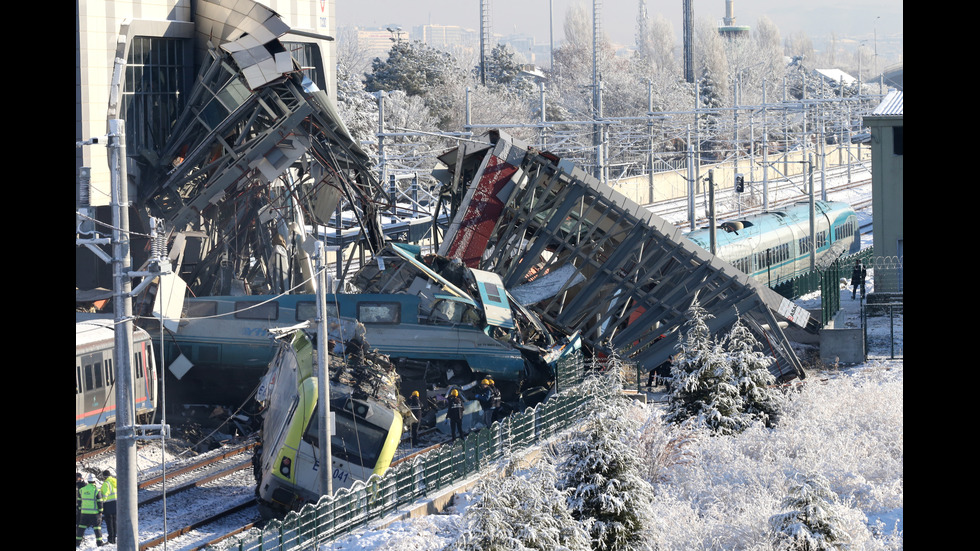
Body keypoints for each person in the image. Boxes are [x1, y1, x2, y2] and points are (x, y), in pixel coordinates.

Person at [76, 473, 105, 547]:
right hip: (94, 513)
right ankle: (99, 543)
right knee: (97, 528)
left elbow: (79, 501)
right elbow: (100, 501)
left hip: (84, 513)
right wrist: (101, 511)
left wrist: (80, 509)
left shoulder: (82, 490)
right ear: (94, 481)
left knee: (81, 528)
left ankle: (77, 543)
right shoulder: (96, 490)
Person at [99, 468, 118, 544]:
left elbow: (105, 495)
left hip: (108, 505)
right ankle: (114, 538)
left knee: (109, 523)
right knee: (115, 521)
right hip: (116, 504)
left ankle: (111, 539)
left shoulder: (106, 483)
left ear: (104, 476)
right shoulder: (115, 481)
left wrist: (101, 503)